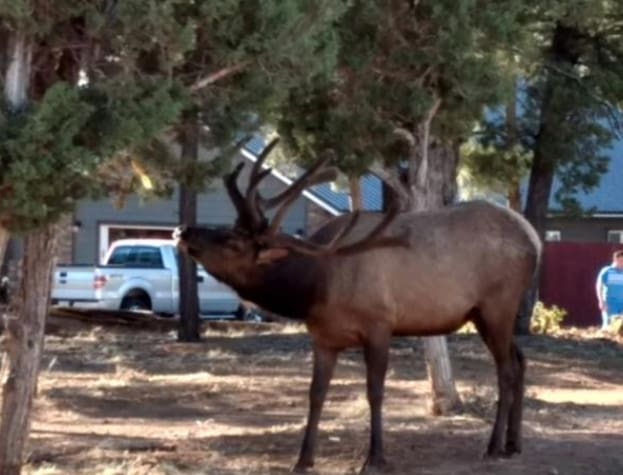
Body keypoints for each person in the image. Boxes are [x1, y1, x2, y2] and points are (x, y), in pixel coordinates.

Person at [596, 250, 623, 329]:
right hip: (609, 303)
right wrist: (601, 301)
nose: (622, 263)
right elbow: (599, 286)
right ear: (615, 260)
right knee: (609, 326)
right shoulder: (607, 271)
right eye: (621, 260)